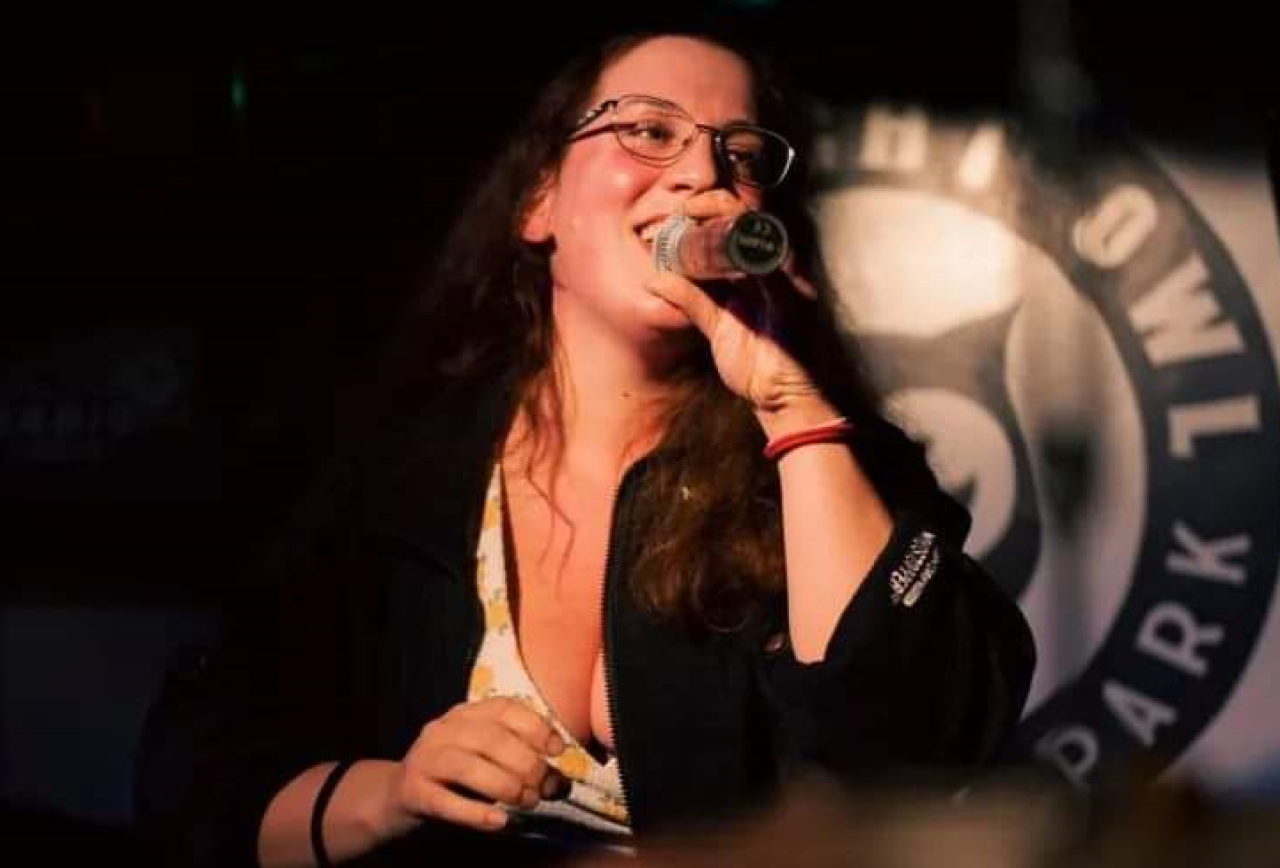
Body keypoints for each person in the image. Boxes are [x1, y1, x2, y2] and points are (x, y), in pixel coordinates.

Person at [172, 28, 1035, 868]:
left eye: (738, 154)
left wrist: (790, 404)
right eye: (650, 130)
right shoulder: (395, 468)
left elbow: (903, 763)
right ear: (537, 200)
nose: (702, 174)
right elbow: (209, 784)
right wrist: (396, 793)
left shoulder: (833, 460)